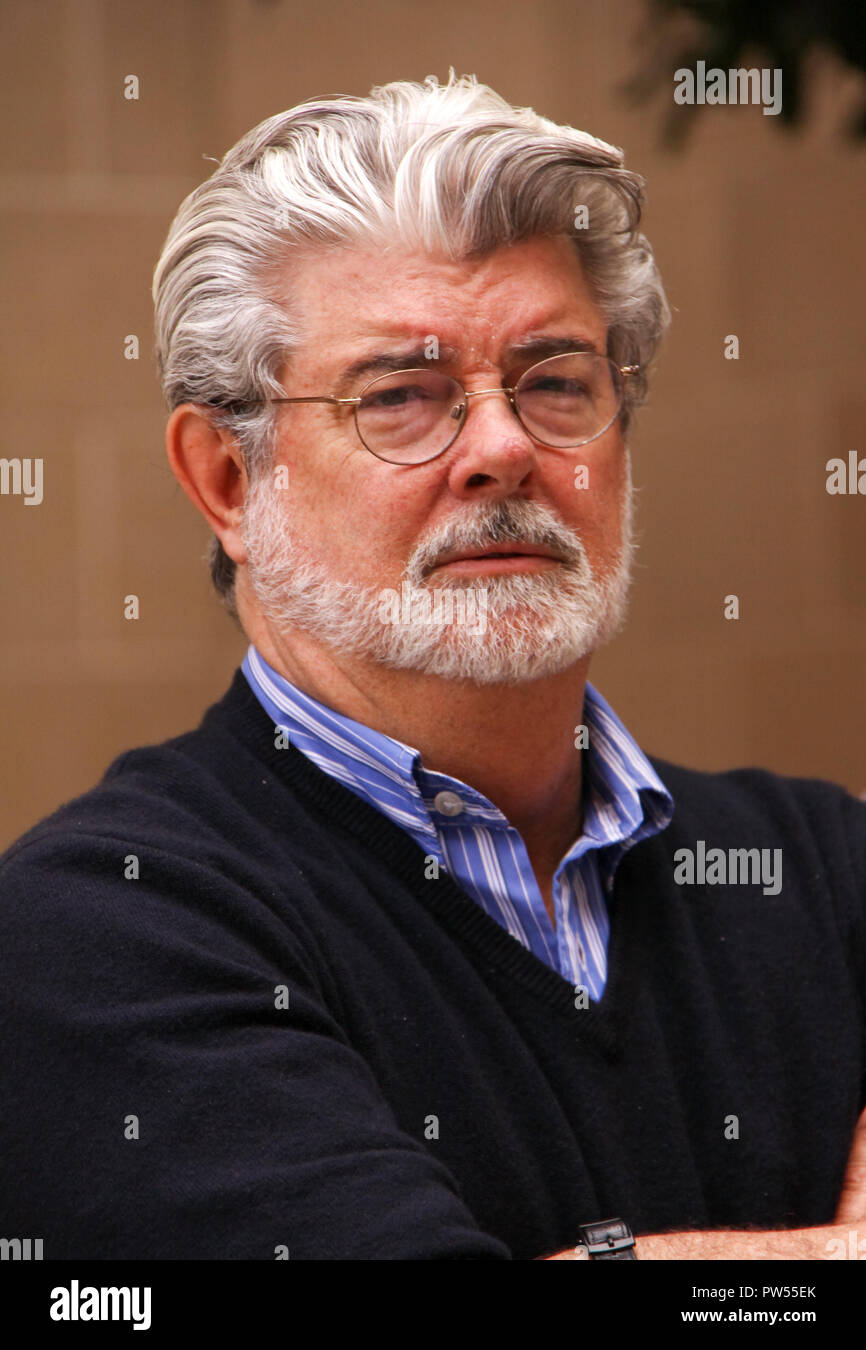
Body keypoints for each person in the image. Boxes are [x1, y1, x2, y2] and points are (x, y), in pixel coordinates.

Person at [1, 74, 864, 1262]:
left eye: (556, 381)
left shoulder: (822, 866)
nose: (502, 447)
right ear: (228, 482)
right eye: (401, 396)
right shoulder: (103, 925)